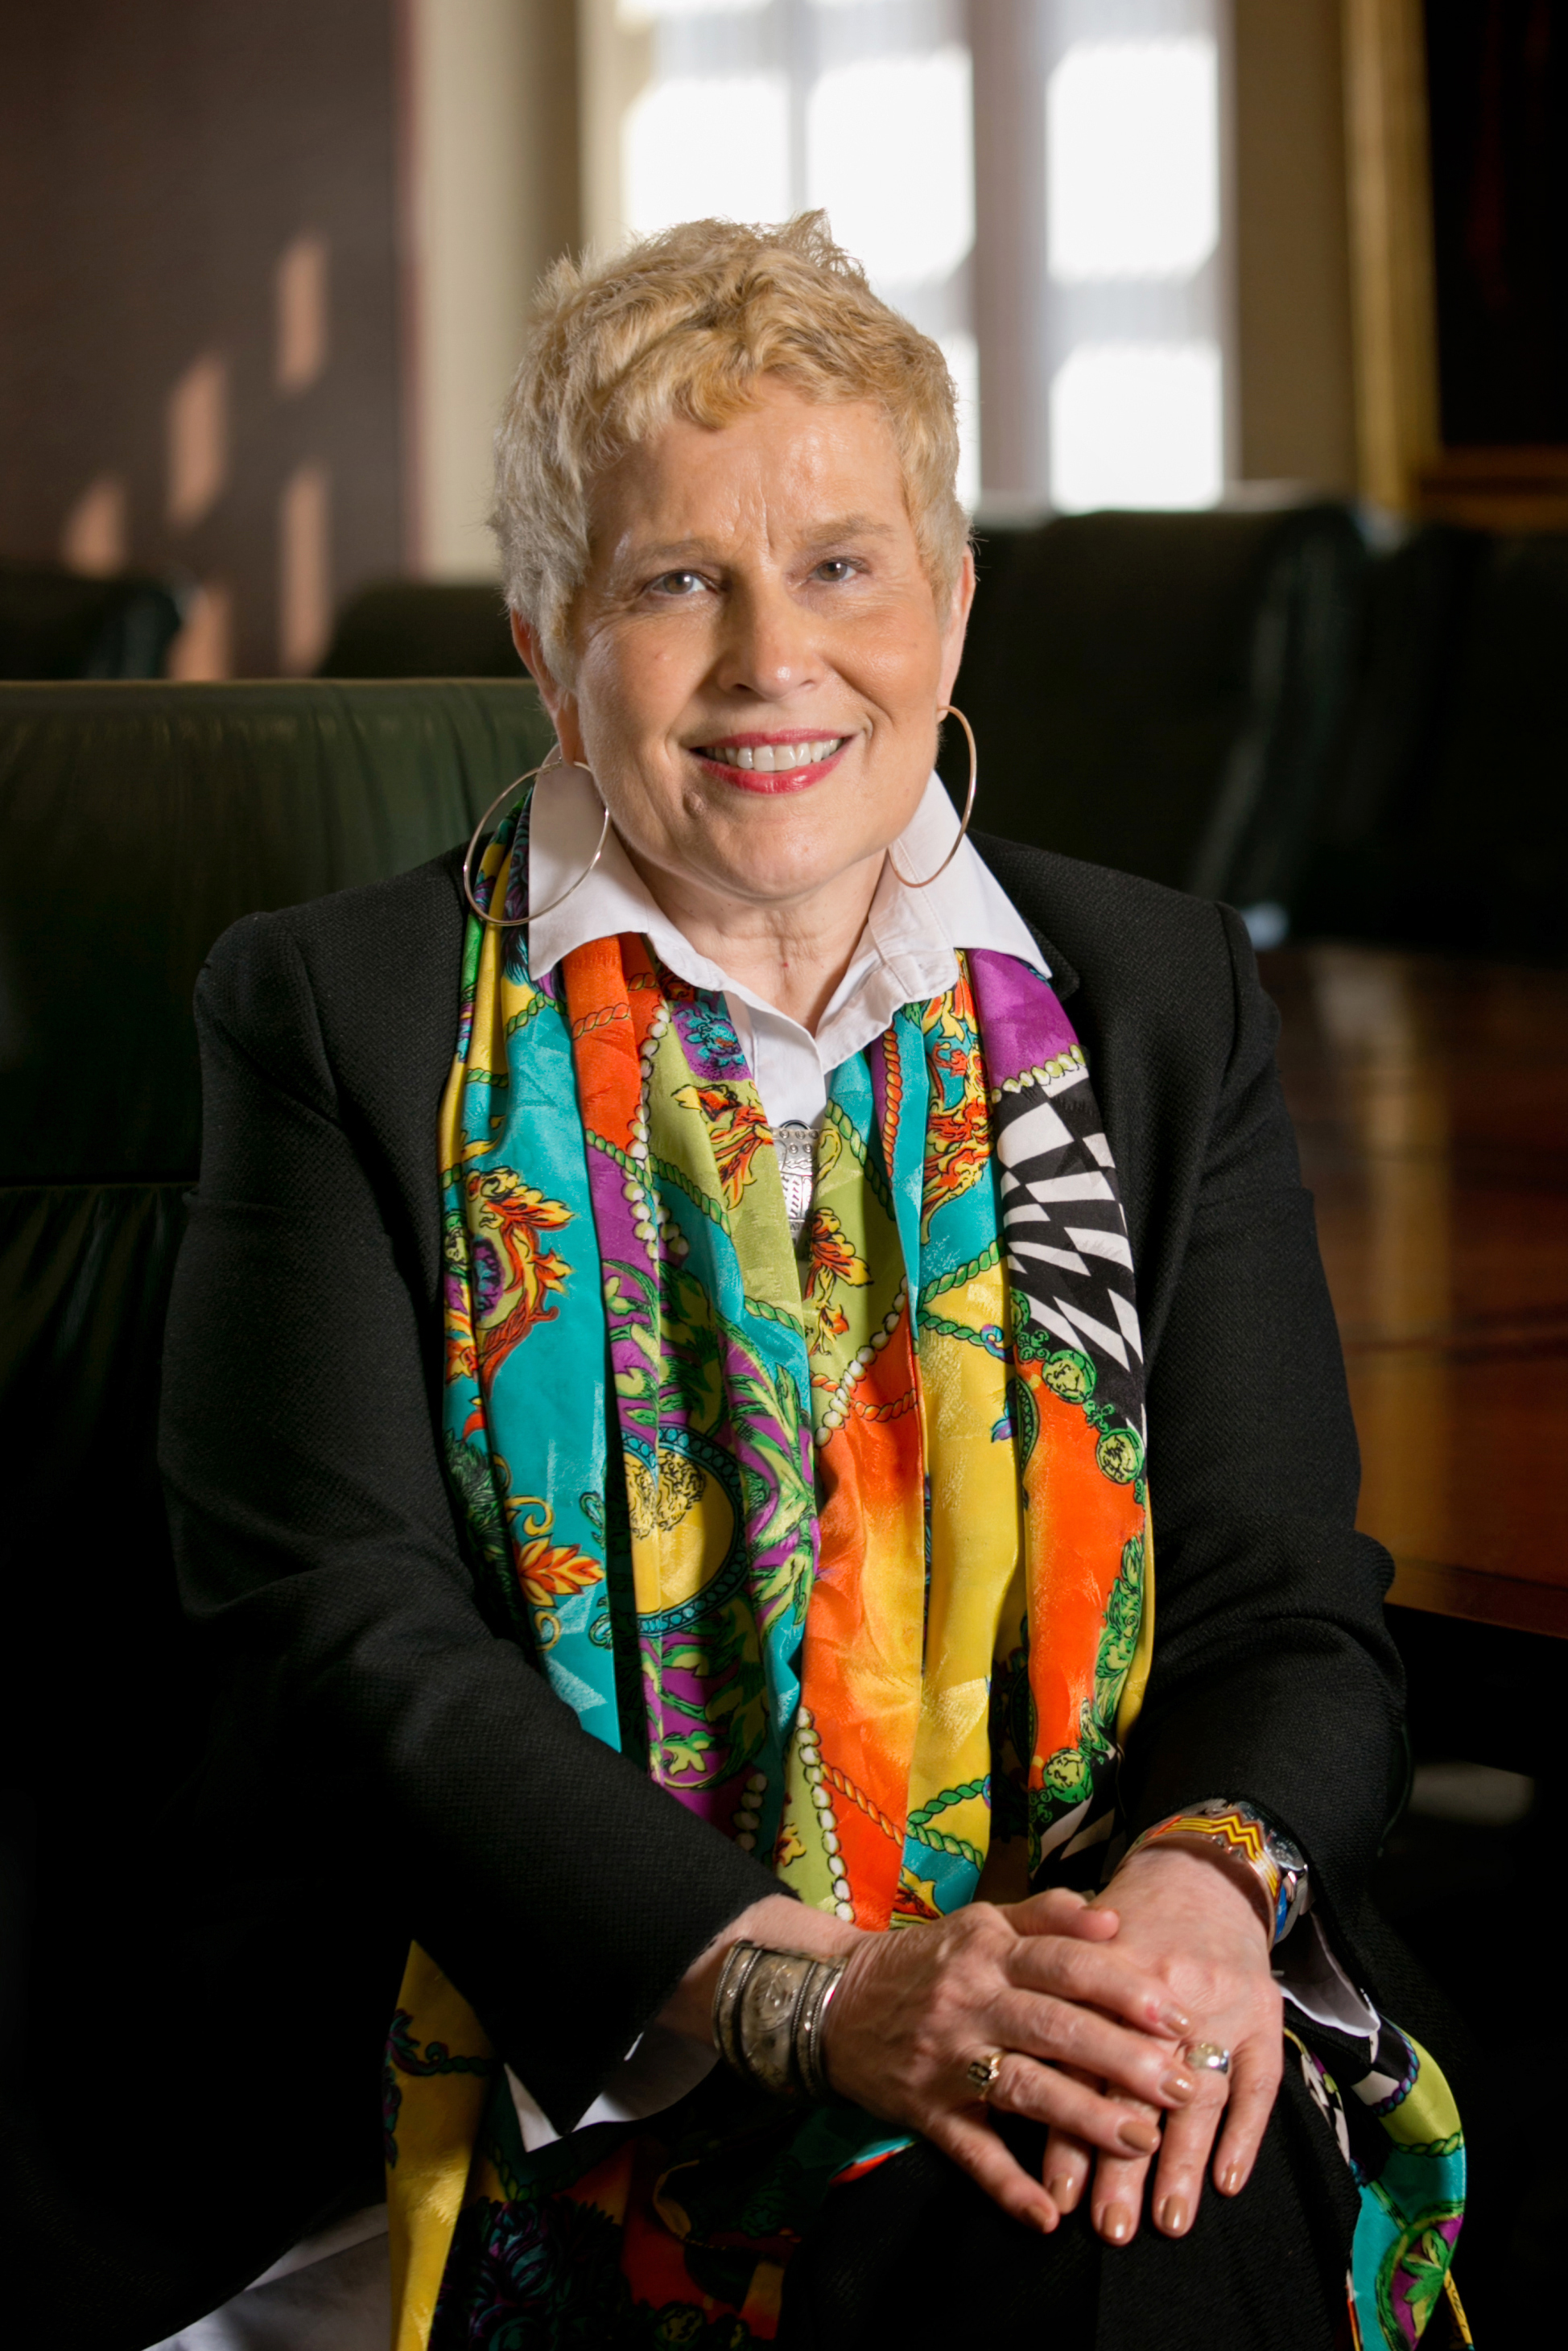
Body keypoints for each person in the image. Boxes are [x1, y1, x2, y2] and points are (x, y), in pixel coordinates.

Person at [155, 214, 1466, 2351]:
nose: (776, 659)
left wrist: (1184, 1909)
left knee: (1123, 2166)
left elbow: (1285, 1606)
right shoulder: (345, 1014)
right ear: (545, 642)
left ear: (951, 603)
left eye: (843, 565)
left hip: (1101, 1972)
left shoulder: (1149, 991)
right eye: (678, 581)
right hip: (580, 2027)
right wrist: (814, 1988)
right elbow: (340, 1639)